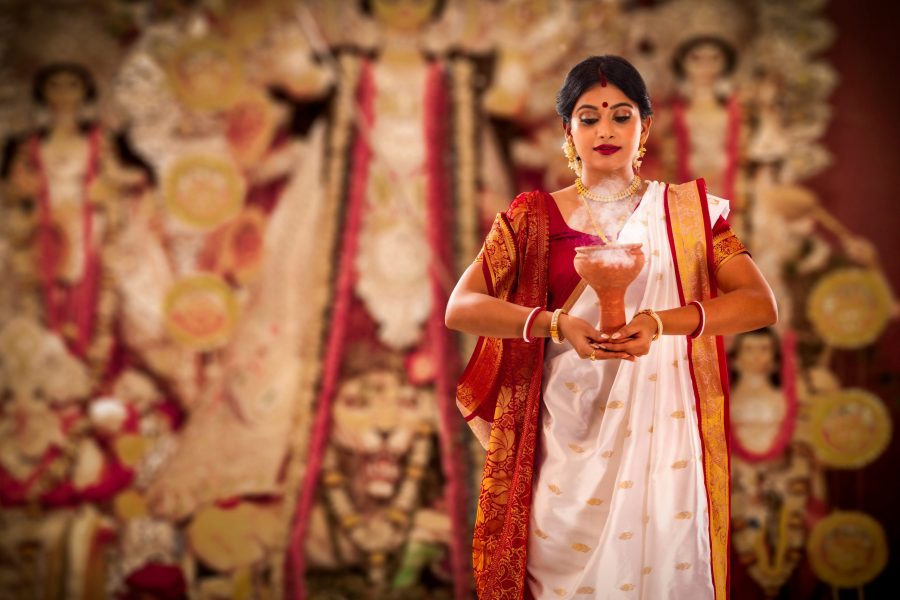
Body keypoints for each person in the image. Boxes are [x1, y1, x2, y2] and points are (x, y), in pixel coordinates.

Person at [445, 55, 777, 599]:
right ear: (567, 131)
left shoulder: (688, 217)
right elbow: (461, 306)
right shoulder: (532, 218)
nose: (605, 130)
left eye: (622, 116)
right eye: (589, 117)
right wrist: (555, 324)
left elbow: (760, 304)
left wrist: (659, 322)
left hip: (661, 446)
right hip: (564, 447)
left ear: (645, 127)